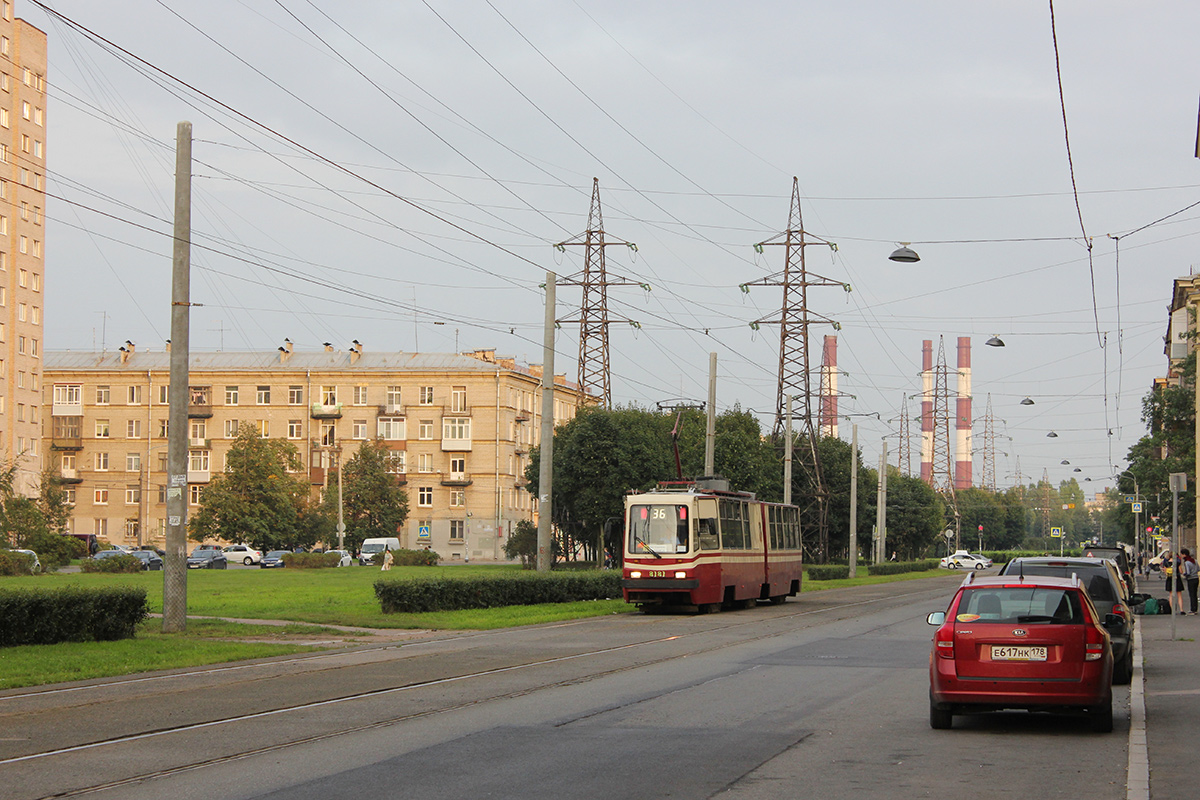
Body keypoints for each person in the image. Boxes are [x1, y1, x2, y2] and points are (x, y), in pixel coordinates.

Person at [1181, 548, 1199, 615]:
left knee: (1191, 594)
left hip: (1191, 579)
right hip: (1196, 578)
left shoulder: (1187, 562)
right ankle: (1195, 609)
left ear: (1184, 554)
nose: (1181, 556)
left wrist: (1184, 574)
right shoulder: (1195, 561)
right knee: (1195, 594)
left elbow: (1188, 572)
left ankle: (1192, 610)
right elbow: (1198, 569)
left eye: (1182, 554)